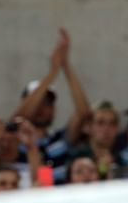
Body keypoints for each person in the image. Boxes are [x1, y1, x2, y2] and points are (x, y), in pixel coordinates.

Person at [13, 28, 91, 185]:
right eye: (37, 102)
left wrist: (65, 66)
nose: (42, 108)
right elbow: (18, 118)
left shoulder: (60, 139)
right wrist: (52, 74)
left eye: (47, 103)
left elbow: (83, 113)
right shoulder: (13, 140)